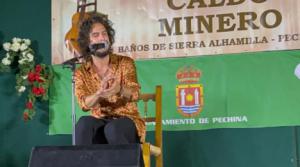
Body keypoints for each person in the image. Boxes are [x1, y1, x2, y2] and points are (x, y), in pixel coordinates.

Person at [74, 12, 145, 148]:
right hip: (99, 120)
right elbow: (84, 104)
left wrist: (119, 89)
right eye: (96, 35)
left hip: (126, 121)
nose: (102, 38)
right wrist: (99, 94)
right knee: (84, 124)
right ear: (87, 42)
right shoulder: (81, 72)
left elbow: (135, 94)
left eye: (104, 33)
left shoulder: (125, 63)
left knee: (113, 129)